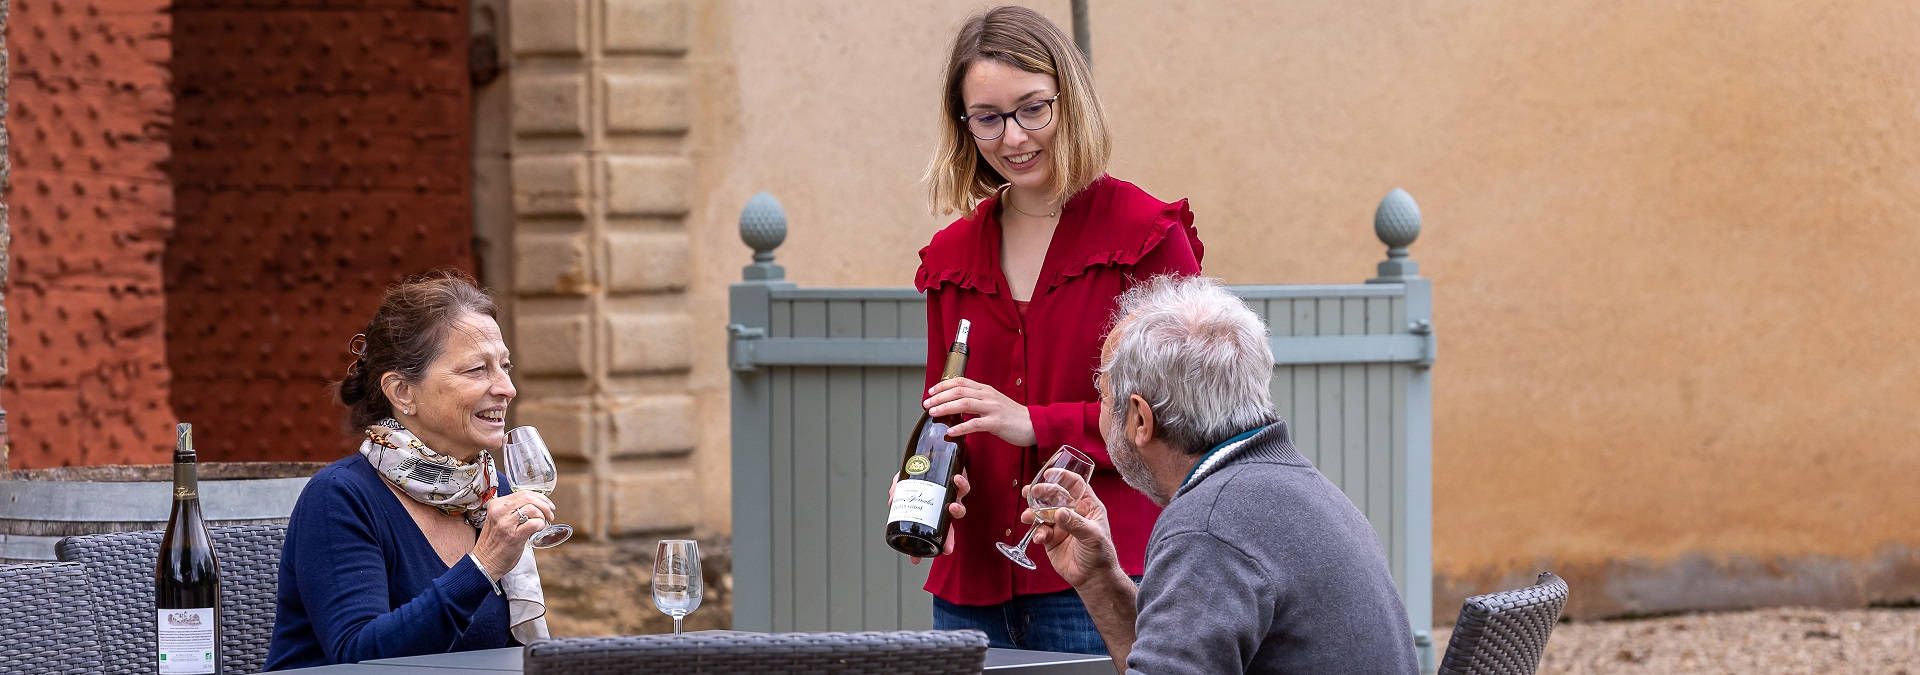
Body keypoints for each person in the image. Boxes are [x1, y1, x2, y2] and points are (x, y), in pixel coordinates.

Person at [911, 5, 1205, 655]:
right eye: (987, 117)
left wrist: (1032, 421)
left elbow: (1183, 416)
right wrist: (934, 477)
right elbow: (944, 416)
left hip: (1101, 574)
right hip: (968, 587)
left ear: (1068, 100)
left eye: (1031, 109)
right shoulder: (949, 258)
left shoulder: (1148, 236)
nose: (1012, 137)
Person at [1022, 275, 1420, 673]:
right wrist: (1099, 579)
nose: (1100, 413)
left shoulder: (1209, 526)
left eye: (1104, 397)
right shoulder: (1292, 488)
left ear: (1141, 419)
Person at [265, 273, 554, 669]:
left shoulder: (491, 491)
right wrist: (484, 564)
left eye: (504, 366)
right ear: (402, 392)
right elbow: (360, 658)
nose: (506, 387)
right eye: (476, 370)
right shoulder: (340, 496)